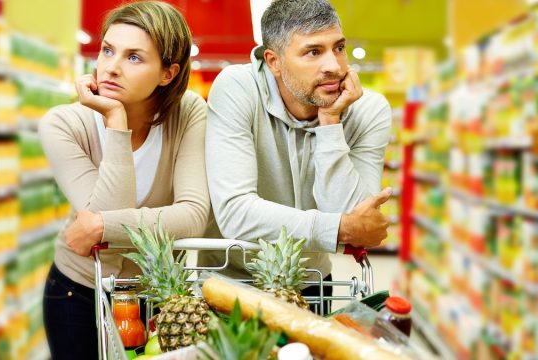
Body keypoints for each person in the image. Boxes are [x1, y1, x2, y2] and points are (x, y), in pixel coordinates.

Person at [38, 2, 209, 358]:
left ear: (168, 73)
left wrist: (101, 226)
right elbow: (112, 232)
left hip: (158, 297)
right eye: (107, 50)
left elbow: (193, 215)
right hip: (80, 292)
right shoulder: (63, 124)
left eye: (134, 57)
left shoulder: (189, 112)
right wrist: (116, 119)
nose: (111, 68)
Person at [202, 0, 392, 313]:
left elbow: (356, 218)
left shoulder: (368, 110)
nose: (335, 65)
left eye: (339, 47)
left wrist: (330, 121)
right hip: (232, 280)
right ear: (274, 61)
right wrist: (339, 229)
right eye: (313, 52)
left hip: (311, 283)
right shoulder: (237, 88)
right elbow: (235, 212)